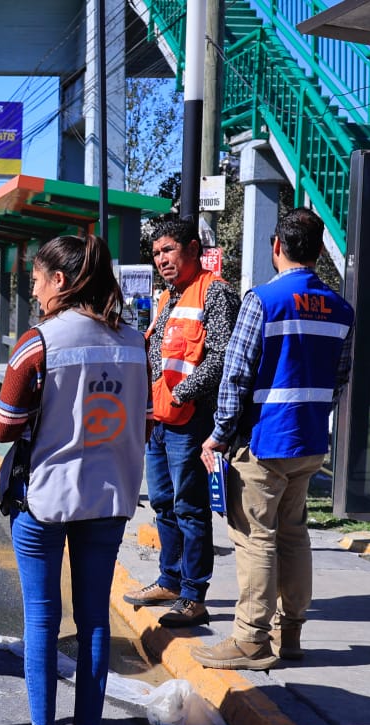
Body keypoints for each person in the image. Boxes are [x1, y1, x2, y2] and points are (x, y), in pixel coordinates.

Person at [0, 234, 151, 725]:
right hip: (110, 496)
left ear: (60, 281)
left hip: (45, 497)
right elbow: (142, 416)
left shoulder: (39, 342)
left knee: (42, 617)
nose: (34, 291)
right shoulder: (135, 342)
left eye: (37, 280)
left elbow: (3, 425)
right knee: (94, 618)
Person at [195, 209, 354, 670]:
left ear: (277, 246)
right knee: (294, 535)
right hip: (309, 442)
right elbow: (339, 378)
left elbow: (236, 374)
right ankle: (291, 634)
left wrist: (219, 435)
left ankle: (250, 639)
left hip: (265, 442)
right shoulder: (341, 308)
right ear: (319, 250)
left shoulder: (263, 300)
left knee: (255, 539)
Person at [123, 218, 240, 628]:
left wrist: (181, 393)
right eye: (156, 253)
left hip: (190, 420)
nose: (161, 260)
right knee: (162, 504)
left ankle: (193, 595)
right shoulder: (166, 297)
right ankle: (169, 581)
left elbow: (223, 356)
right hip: (159, 421)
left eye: (168, 250)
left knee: (190, 508)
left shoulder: (216, 292)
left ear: (192, 249)